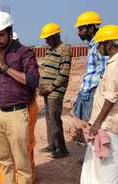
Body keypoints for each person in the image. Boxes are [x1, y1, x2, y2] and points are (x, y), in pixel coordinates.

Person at [0, 11, 40, 184]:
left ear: (10, 32)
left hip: (16, 114)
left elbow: (33, 80)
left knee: (22, 162)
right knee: (4, 160)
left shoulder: (24, 53)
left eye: (1, 35)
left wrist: (5, 68)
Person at [80, 25, 118, 184]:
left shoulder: (117, 65)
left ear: (109, 44)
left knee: (107, 170)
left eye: (100, 44)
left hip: (108, 125)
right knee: (99, 167)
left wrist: (97, 122)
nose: (98, 48)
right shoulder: (117, 62)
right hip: (108, 124)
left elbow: (111, 98)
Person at [38, 23, 72, 158]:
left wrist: (50, 88)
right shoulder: (50, 50)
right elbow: (45, 67)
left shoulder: (64, 50)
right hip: (47, 91)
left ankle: (62, 149)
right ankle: (52, 144)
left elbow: (64, 75)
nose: (46, 41)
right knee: (48, 118)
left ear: (55, 36)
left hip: (55, 92)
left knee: (55, 119)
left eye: (48, 38)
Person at [73, 11, 107, 122]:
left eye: (81, 29)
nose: (78, 33)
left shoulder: (99, 45)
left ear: (91, 28)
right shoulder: (92, 45)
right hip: (87, 92)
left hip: (94, 93)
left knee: (93, 128)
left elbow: (105, 73)